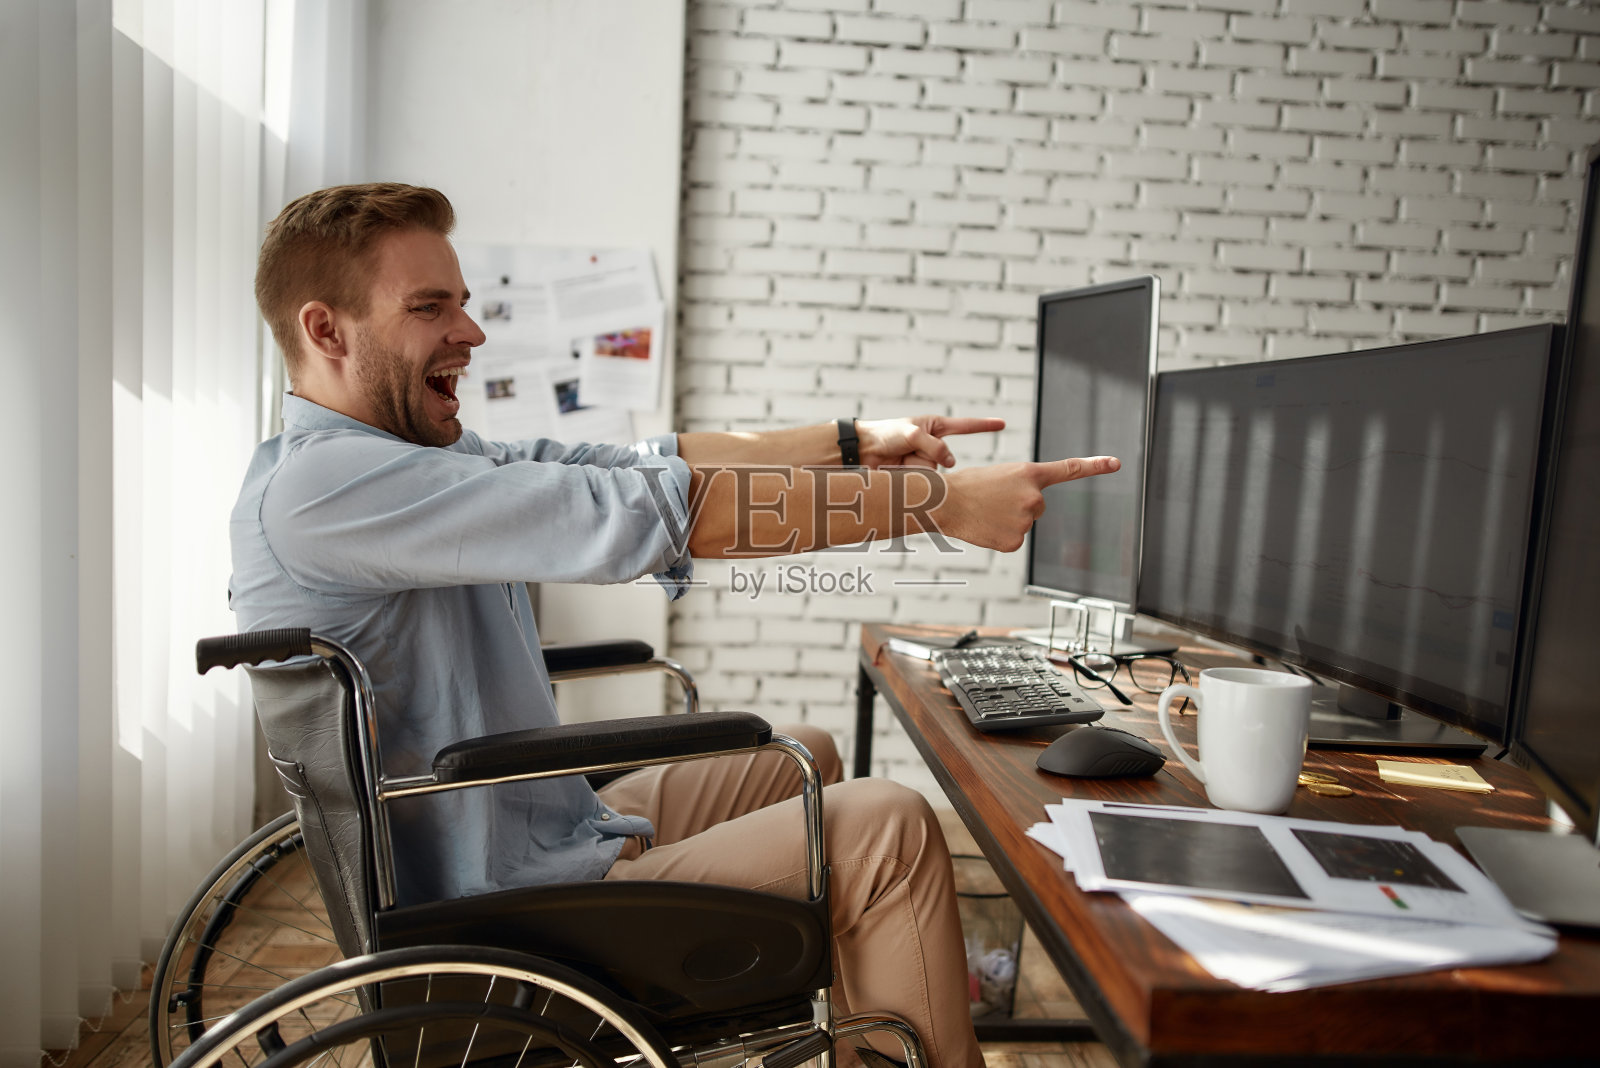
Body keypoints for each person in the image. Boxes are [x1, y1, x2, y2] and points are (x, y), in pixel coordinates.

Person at [231, 182, 1121, 1068]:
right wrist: (937, 502)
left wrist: (853, 440)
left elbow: (636, 465)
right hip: (495, 908)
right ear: (326, 330)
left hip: (533, 828)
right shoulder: (327, 487)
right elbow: (658, 513)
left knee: (804, 753)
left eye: (464, 304)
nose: (470, 333)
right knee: (886, 827)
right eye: (431, 307)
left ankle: (874, 1033)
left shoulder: (405, 457)